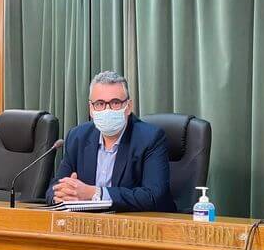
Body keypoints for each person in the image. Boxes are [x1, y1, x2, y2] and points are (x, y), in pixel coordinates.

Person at [46, 71, 176, 212]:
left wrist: (95, 193)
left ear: (128, 106)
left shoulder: (150, 138)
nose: (107, 110)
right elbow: (54, 188)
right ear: (91, 109)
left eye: (115, 103)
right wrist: (62, 195)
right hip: (86, 222)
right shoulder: (78, 137)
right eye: (100, 104)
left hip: (134, 222)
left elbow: (153, 196)